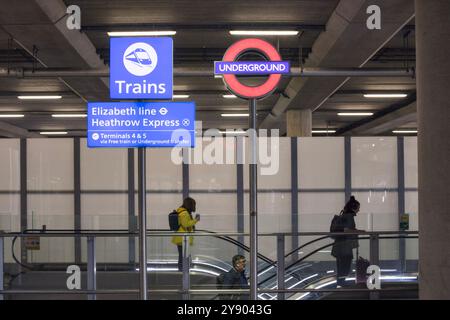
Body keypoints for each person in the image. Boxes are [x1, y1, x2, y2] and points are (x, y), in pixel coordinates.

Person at [331, 196, 364, 288]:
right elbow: (347, 230)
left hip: (338, 245)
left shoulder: (343, 215)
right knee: (345, 265)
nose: (359, 210)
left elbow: (345, 229)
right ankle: (342, 283)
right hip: (345, 246)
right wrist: (360, 232)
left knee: (340, 265)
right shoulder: (349, 216)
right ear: (354, 208)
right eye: (358, 208)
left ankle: (340, 282)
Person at [171, 197, 200, 271]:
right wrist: (195, 220)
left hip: (182, 238)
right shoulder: (184, 213)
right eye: (194, 205)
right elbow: (186, 224)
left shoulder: (183, 212)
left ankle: (184, 269)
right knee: (183, 255)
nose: (194, 207)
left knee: (183, 255)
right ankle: (182, 270)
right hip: (182, 239)